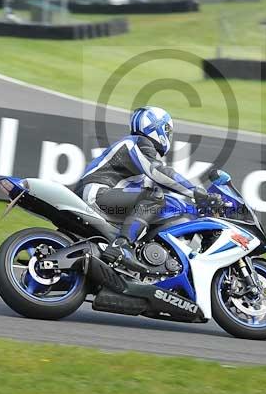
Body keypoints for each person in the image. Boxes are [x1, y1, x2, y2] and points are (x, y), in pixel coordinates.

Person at [74, 106, 220, 273]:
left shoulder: (137, 156)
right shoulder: (136, 143)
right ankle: (121, 245)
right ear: (154, 126)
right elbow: (160, 173)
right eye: (166, 129)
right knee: (155, 197)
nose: (168, 135)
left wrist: (194, 208)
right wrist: (196, 192)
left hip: (101, 195)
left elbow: (158, 189)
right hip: (97, 193)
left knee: (159, 201)